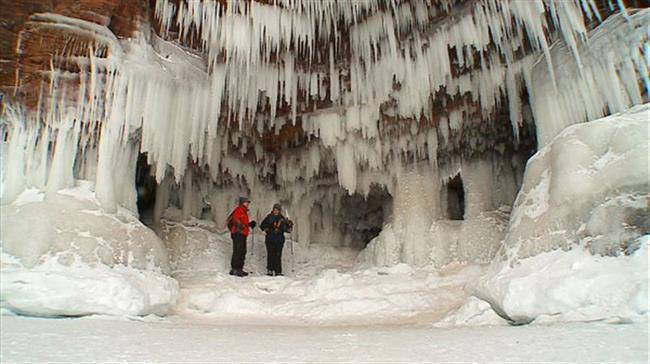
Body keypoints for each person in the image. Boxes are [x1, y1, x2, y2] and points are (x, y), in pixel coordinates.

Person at [226, 196, 257, 277]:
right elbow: (235, 219)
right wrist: (240, 226)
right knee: (238, 250)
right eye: (246, 202)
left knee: (242, 251)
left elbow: (243, 222)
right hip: (238, 233)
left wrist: (250, 224)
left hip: (242, 233)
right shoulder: (239, 209)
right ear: (243, 203)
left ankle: (239, 268)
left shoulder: (244, 211)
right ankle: (235, 269)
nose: (248, 204)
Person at [260, 203, 293, 276]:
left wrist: (290, 225)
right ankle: (270, 270)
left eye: (277, 210)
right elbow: (262, 226)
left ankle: (278, 271)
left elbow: (288, 230)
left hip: (279, 240)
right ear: (273, 210)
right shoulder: (269, 217)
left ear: (279, 211)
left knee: (278, 256)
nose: (275, 211)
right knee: (270, 255)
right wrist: (267, 229)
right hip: (270, 240)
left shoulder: (283, 219)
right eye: (274, 210)